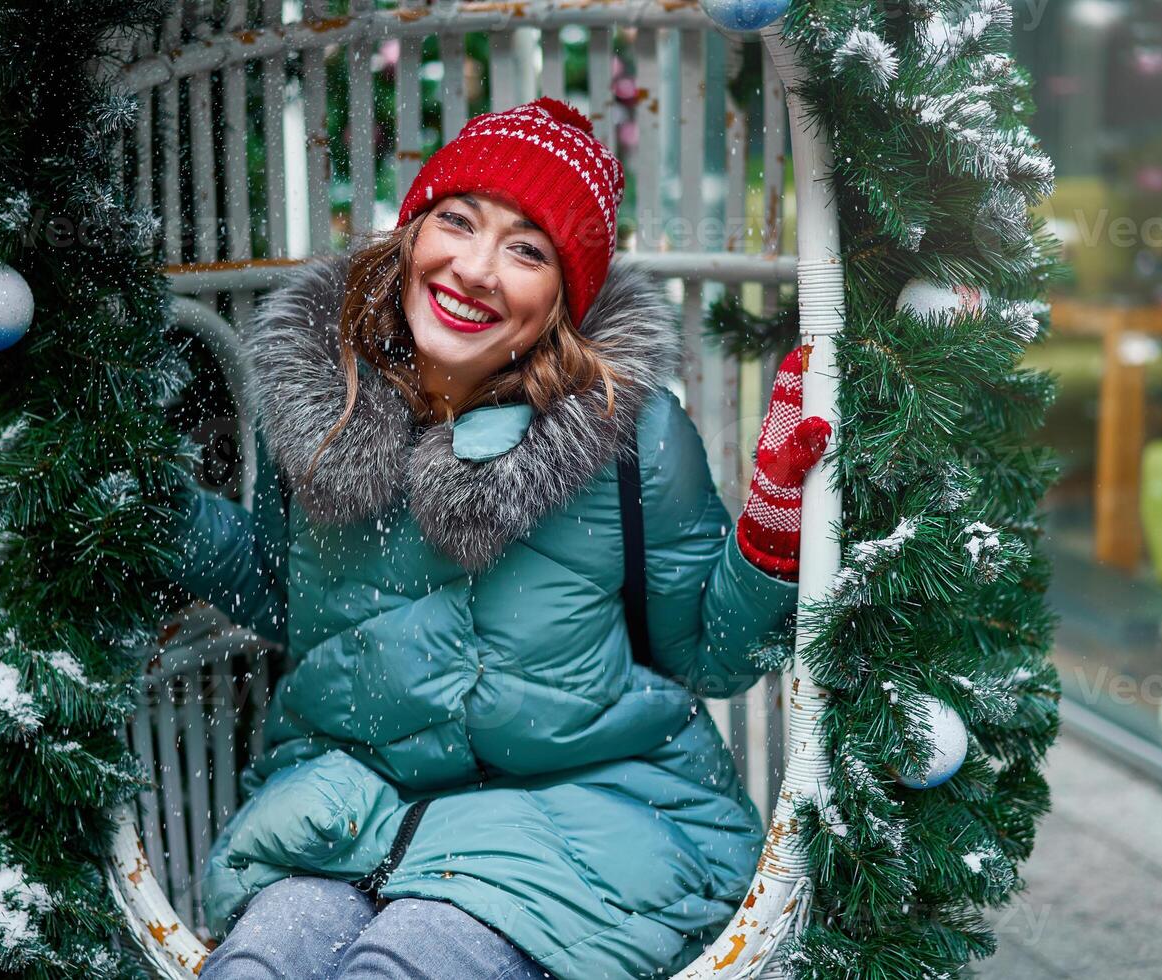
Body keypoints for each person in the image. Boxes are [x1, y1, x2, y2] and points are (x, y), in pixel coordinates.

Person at [168, 97, 832, 980]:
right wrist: (149, 502)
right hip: (344, 807)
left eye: (527, 250)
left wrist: (774, 527)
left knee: (401, 967)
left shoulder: (629, 438)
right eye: (457, 221)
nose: (475, 269)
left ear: (565, 296)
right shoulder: (316, 407)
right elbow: (283, 595)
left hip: (576, 813)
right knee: (258, 965)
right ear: (413, 234)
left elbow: (707, 655)